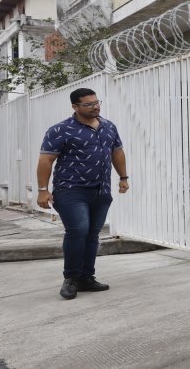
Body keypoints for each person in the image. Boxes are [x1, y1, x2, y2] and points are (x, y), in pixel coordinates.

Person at [37, 88, 129, 300]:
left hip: (101, 191)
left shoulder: (108, 127)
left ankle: (86, 277)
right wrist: (43, 190)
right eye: (88, 104)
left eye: (97, 102)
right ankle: (71, 278)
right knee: (78, 230)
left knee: (92, 235)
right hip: (71, 190)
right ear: (75, 107)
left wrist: (123, 178)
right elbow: (46, 160)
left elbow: (117, 152)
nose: (95, 106)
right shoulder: (60, 130)